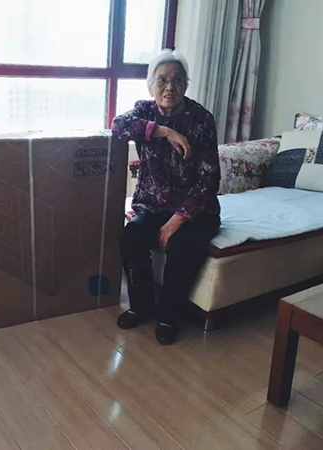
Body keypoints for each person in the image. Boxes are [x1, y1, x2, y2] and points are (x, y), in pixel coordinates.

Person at [111, 49, 221, 345]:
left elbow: (209, 180)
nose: (169, 87)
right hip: (152, 205)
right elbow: (118, 127)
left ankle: (168, 315)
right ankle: (140, 305)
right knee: (131, 236)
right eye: (161, 80)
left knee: (182, 245)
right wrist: (164, 131)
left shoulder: (201, 119)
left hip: (195, 210)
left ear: (186, 84)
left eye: (177, 80)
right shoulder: (144, 111)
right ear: (151, 85)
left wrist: (178, 219)